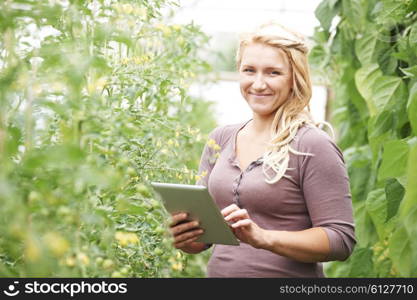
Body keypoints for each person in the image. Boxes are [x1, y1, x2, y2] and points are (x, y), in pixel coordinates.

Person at [169, 22, 356, 277]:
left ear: (295, 77)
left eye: (272, 73)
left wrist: (263, 237)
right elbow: (204, 239)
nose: (258, 84)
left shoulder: (312, 144)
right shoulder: (220, 139)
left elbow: (340, 240)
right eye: (249, 70)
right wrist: (188, 238)